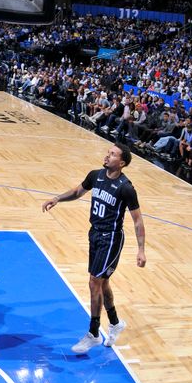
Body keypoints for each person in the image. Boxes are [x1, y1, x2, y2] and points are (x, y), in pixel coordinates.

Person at [41, 142, 147, 354]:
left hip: (111, 239)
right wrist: (57, 199)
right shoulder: (95, 175)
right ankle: (115, 323)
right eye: (108, 153)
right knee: (103, 282)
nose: (107, 156)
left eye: (113, 155)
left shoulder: (126, 188)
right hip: (95, 234)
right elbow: (78, 191)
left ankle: (93, 333)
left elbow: (137, 220)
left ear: (122, 163)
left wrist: (141, 250)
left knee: (94, 282)